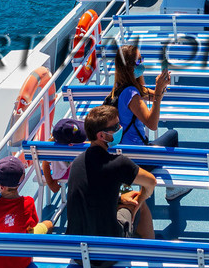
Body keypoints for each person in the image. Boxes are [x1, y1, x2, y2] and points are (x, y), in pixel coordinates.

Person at [67, 104, 158, 251]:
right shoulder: (118, 163)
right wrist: (140, 199)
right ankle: (152, 252)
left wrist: (120, 199)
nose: (120, 128)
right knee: (138, 203)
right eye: (115, 127)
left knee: (126, 198)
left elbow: (91, 193)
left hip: (76, 250)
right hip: (107, 252)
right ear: (101, 136)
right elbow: (151, 182)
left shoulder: (77, 163)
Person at [106, 43, 190, 201]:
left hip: (120, 155)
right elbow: (152, 124)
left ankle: (137, 185)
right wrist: (158, 92)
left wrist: (161, 87)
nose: (142, 63)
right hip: (137, 160)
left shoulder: (119, 88)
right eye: (139, 60)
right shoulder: (132, 94)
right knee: (172, 135)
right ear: (130, 67)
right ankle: (172, 188)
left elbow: (151, 94)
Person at [36, 117, 86, 195]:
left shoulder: (50, 149)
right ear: (70, 144)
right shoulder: (80, 146)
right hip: (78, 173)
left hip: (61, 173)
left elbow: (45, 164)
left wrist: (51, 183)